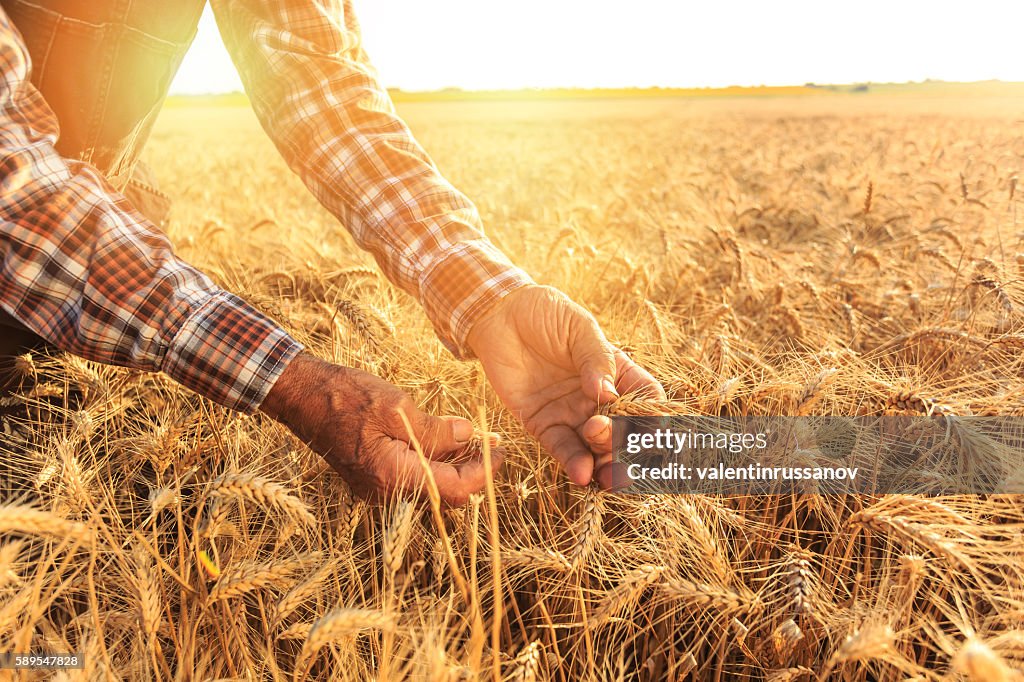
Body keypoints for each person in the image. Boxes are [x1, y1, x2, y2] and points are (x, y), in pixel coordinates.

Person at [0, 0, 664, 506]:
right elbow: (11, 177)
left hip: (64, 281)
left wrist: (484, 292)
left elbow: (315, 71)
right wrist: (298, 385)